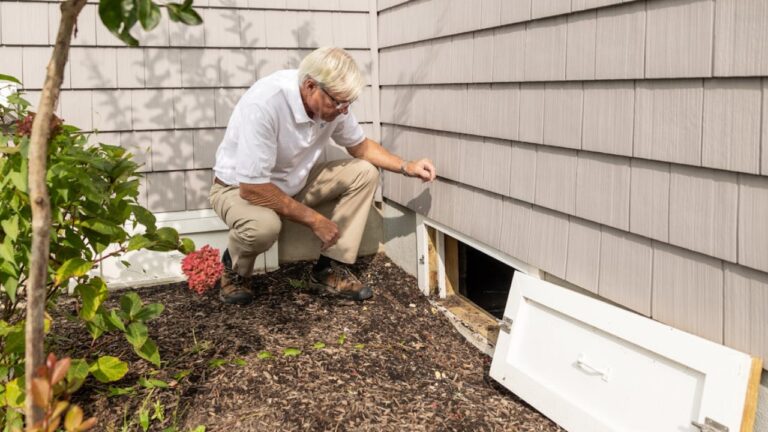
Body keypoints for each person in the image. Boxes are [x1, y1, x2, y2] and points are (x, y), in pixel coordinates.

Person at [210, 47, 436, 305]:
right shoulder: (265, 104)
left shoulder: (333, 104)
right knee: (264, 227)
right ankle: (235, 269)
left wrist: (406, 166)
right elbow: (252, 188)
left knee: (364, 172)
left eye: (348, 104)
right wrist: (316, 220)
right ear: (309, 86)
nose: (343, 110)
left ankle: (329, 269)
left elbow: (360, 147)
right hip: (238, 189)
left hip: (293, 184)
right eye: (338, 102)